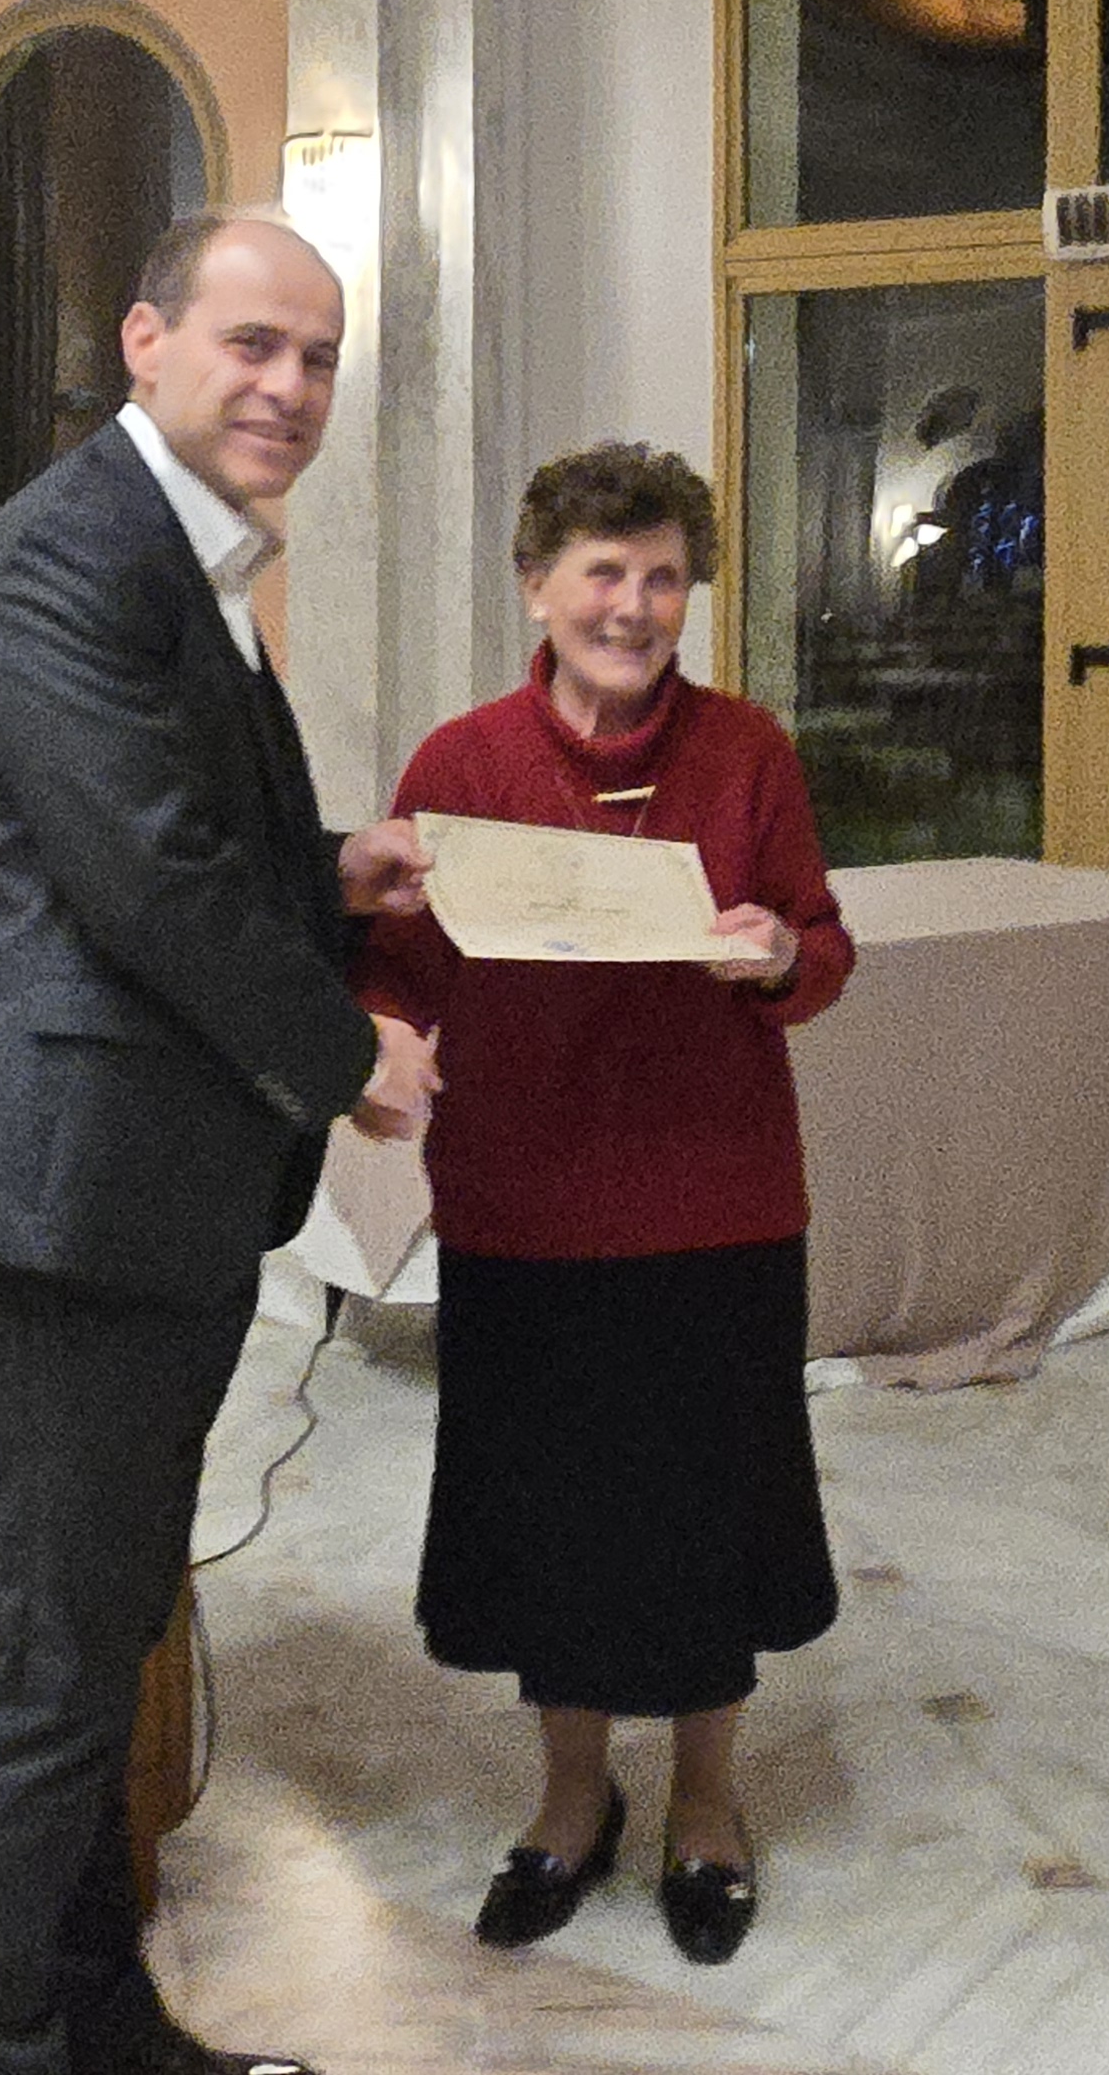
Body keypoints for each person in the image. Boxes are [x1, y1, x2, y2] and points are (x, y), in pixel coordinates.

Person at [0, 210, 441, 2075]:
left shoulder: (184, 546)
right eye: (253, 343)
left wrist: (331, 870)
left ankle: (104, 2029)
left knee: (105, 1637)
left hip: (146, 1188)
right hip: (71, 1198)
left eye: (318, 358)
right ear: (145, 339)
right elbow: (146, 879)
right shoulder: (71, 549)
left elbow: (175, 832)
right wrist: (346, 1051)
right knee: (48, 1664)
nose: (289, 387)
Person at [355, 442, 853, 1967]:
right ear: (536, 588)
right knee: (548, 1524)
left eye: (663, 579)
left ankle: (706, 1800)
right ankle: (572, 1796)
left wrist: (777, 953)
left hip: (715, 1202)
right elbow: (395, 967)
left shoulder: (747, 753)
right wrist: (379, 1039)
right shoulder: (459, 767)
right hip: (523, 1204)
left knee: (708, 1522)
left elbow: (822, 948)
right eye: (603, 575)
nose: (633, 607)